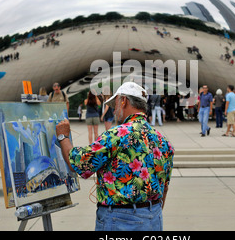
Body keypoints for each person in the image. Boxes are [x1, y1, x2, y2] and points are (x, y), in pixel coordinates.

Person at [55, 81, 174, 231]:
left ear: (123, 100)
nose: (114, 110)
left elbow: (79, 164)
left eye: (115, 104)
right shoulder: (162, 140)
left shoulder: (117, 134)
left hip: (120, 219)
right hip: (154, 217)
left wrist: (63, 137)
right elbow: (165, 187)